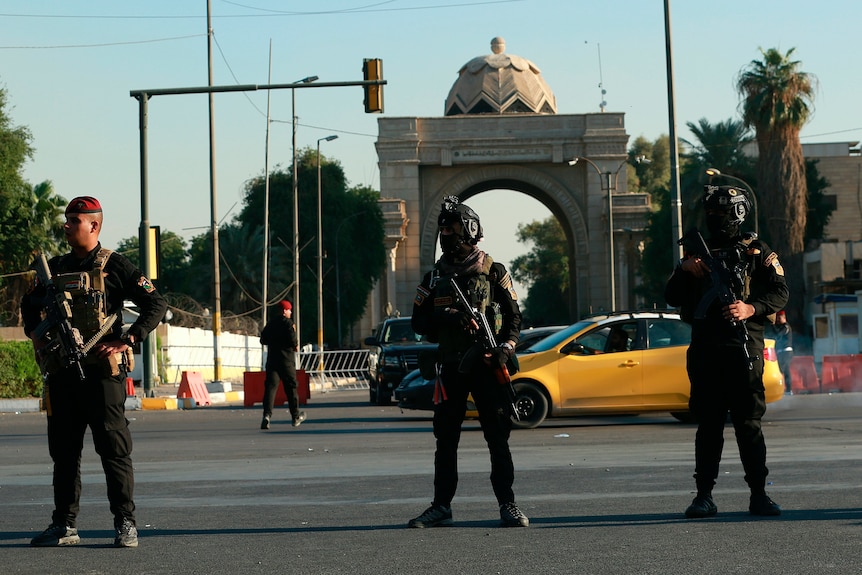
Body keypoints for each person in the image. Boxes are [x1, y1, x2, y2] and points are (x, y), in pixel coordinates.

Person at [21, 196, 167, 548]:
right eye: (67, 219)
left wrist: (128, 339)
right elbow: (29, 303)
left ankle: (125, 523)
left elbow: (156, 302)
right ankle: (64, 525)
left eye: (74, 220)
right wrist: (36, 335)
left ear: (94, 226)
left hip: (102, 375)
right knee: (64, 455)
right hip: (63, 374)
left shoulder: (116, 266)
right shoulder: (53, 268)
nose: (67, 225)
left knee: (114, 450)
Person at [665, 185, 788, 519]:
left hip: (743, 348)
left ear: (737, 213)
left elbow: (780, 294)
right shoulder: (696, 255)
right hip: (706, 349)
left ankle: (759, 495)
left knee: (748, 424)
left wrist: (750, 308)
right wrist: (683, 270)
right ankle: (704, 495)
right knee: (709, 426)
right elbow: (672, 297)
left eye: (721, 213)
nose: (714, 219)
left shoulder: (757, 251)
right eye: (711, 213)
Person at [408, 195, 527, 528]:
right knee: (445, 439)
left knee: (497, 437)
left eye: (454, 226)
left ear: (470, 229)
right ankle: (441, 506)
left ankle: (508, 504)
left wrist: (506, 347)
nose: (447, 233)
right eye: (443, 227)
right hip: (450, 367)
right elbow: (419, 322)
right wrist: (448, 317)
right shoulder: (434, 278)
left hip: (487, 366)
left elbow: (514, 316)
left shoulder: (493, 271)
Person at [260, 299, 305, 429]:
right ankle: (295, 416)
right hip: (286, 362)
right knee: (291, 388)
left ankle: (267, 416)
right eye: (289, 310)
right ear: (285, 311)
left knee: (270, 389)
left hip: (272, 361)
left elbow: (263, 340)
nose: (290, 312)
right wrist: (295, 345)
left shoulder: (271, 324)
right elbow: (293, 341)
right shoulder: (288, 324)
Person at [769, 310, 793, 393]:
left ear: (784, 317)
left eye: (779, 318)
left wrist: (772, 325)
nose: (778, 320)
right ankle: (788, 389)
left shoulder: (786, 327)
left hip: (786, 351)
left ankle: (786, 389)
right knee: (785, 370)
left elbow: (778, 335)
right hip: (781, 352)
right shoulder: (781, 326)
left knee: (782, 369)